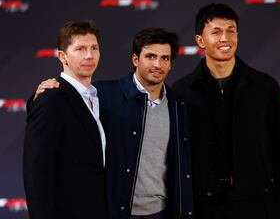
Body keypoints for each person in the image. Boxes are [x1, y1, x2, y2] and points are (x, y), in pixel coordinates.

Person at [33, 27, 194, 219]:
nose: (157, 64)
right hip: (114, 211)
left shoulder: (177, 105)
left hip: (160, 212)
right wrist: (38, 96)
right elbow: (63, 104)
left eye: (165, 58)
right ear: (136, 59)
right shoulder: (103, 94)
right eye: (150, 56)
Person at [172, 3, 280, 219]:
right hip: (204, 208)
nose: (225, 39)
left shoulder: (265, 86)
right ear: (200, 40)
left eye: (231, 31)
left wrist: (275, 205)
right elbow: (175, 157)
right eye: (216, 32)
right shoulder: (181, 91)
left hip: (258, 207)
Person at [23, 20, 106, 219]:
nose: (89, 55)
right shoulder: (51, 98)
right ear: (63, 56)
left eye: (94, 48)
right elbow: (36, 173)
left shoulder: (100, 97)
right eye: (80, 49)